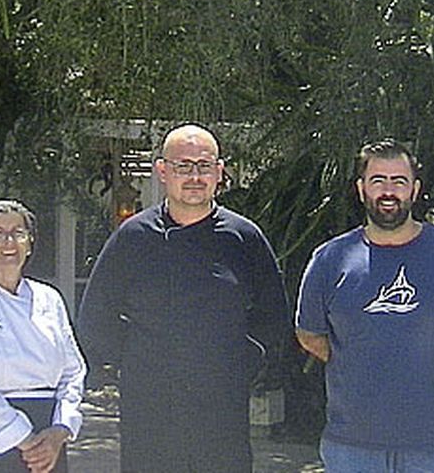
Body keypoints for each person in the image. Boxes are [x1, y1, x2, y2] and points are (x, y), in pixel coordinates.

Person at [77, 124, 288, 472]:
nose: (194, 176)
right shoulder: (133, 237)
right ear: (162, 171)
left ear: (220, 172)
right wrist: (136, 364)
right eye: (183, 166)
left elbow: (273, 317)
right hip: (150, 415)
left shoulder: (244, 238)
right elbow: (94, 319)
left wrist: (242, 363)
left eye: (204, 166)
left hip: (222, 413)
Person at [295, 139, 434, 473]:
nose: (388, 191)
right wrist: (360, 357)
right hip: (353, 447)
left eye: (398, 181)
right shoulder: (330, 259)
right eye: (378, 181)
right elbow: (310, 335)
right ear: (361, 189)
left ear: (415, 190)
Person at [0, 199, 86, 473]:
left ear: (30, 243)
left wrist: (60, 430)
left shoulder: (50, 299)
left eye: (18, 233)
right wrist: (23, 438)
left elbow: (73, 371)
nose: (9, 242)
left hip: (49, 441)